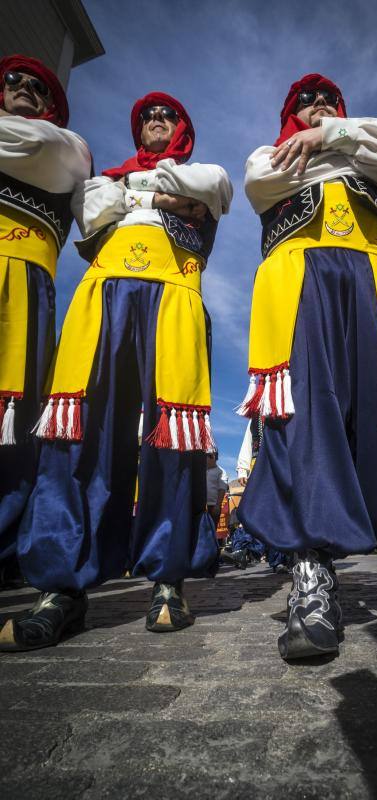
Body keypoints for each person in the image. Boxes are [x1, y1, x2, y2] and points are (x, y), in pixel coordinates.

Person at [237, 73, 377, 661]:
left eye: (328, 102)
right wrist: (327, 141)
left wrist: (332, 135)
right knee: (305, 423)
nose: (316, 108)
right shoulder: (269, 154)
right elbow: (263, 181)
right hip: (298, 287)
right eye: (306, 103)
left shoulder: (370, 141)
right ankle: (312, 578)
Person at [0, 91, 232, 651]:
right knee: (81, 432)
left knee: (172, 436)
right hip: (101, 298)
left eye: (168, 114)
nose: (157, 120)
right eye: (148, 115)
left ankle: (167, 581)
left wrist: (143, 193)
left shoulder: (201, 172)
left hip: (175, 298)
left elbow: (212, 189)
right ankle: (61, 587)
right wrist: (162, 197)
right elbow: (93, 210)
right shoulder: (106, 177)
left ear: (183, 128)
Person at [0, 56, 91, 589]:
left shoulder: (68, 148)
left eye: (39, 87)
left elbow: (39, 150)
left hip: (25, 287)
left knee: (16, 413)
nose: (27, 90)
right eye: (15, 81)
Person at [237, 418, 291, 573]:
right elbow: (249, 439)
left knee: (278, 511)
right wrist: (242, 467)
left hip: (281, 463)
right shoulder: (256, 415)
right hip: (258, 465)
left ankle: (279, 558)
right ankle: (244, 549)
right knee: (255, 508)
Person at [206, 451, 228, 529]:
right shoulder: (200, 470)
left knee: (211, 529)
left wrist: (217, 506)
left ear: (214, 457)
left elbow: (222, 489)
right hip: (200, 506)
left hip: (213, 506)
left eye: (207, 457)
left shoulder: (221, 472)